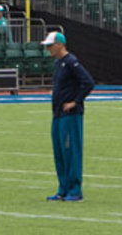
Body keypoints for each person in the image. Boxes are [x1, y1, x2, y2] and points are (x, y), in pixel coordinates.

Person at [42, 31, 95, 202]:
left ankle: (75, 190)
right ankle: (63, 189)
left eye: (50, 45)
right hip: (57, 114)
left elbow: (88, 82)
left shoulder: (71, 62)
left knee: (71, 152)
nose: (48, 49)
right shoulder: (59, 63)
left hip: (69, 115)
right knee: (60, 153)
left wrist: (75, 102)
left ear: (60, 45)